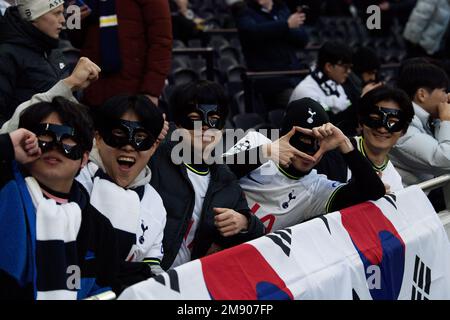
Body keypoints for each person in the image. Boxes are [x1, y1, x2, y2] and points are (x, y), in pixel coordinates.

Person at [0, 97, 121, 300]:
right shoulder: (3, 186)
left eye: (68, 140)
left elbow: (105, 290)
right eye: (45, 136)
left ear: (84, 158)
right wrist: (6, 146)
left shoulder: (98, 228)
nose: (55, 147)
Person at [150, 80, 266, 270]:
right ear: (178, 123)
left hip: (193, 284)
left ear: (221, 127)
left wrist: (245, 223)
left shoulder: (226, 179)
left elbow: (258, 235)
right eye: (194, 118)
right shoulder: (154, 159)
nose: (204, 127)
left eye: (213, 118)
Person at [224, 98, 386, 233]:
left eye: (317, 142)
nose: (309, 153)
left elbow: (374, 191)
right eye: (303, 140)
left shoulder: (316, 188)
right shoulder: (257, 142)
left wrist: (344, 143)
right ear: (284, 133)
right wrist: (263, 153)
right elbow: (213, 175)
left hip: (253, 257)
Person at [76, 95, 167, 276]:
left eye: (141, 137)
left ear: (154, 146)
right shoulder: (74, 179)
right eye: (119, 134)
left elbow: (153, 268)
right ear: (98, 137)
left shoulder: (155, 203)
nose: (128, 146)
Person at [68, 0, 172, 107]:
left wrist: (151, 92)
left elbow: (161, 43)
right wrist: (74, 19)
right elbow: (75, 40)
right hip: (93, 90)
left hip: (133, 93)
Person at [317, 85, 415, 192]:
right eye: (375, 119)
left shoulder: (394, 180)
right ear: (360, 123)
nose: (382, 130)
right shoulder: (334, 156)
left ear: (403, 130)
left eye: (392, 122)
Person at [0, 0, 68, 125]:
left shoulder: (53, 50)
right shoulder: (7, 56)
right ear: (34, 17)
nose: (63, 20)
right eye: (56, 13)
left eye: (62, 13)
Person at [235, 0, 309, 111]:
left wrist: (281, 29)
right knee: (302, 106)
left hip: (294, 76)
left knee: (319, 101)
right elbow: (252, 33)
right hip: (270, 79)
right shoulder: (245, 12)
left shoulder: (282, 10)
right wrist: (286, 25)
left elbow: (303, 39)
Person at [390, 61, 450, 185]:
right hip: (406, 201)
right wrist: (446, 121)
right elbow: (445, 160)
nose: (446, 97)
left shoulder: (427, 119)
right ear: (422, 94)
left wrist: (441, 120)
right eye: (444, 91)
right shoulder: (401, 122)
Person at [290, 41, 353, 131]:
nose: (349, 71)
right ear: (329, 67)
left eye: (350, 67)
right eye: (345, 67)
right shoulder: (307, 91)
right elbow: (323, 124)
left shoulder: (335, 84)